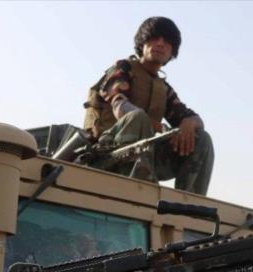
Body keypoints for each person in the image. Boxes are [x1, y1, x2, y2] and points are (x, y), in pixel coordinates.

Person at [83, 16, 214, 195]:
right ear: (142, 44)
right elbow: (119, 105)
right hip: (108, 153)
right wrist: (159, 127)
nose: (160, 43)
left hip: (146, 156)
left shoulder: (163, 88)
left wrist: (189, 124)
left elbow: (188, 115)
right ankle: (141, 190)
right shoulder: (123, 68)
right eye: (154, 38)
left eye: (167, 41)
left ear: (172, 51)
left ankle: (188, 204)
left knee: (202, 139)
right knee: (137, 117)